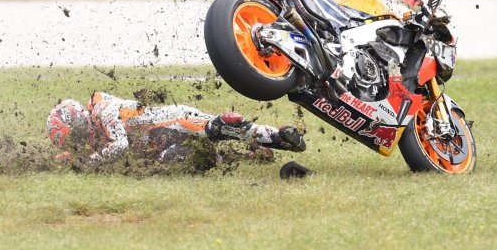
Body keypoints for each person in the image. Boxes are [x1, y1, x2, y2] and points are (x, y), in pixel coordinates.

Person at [46, 91, 305, 164]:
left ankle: (278, 135)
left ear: (81, 121)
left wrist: (86, 163)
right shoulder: (94, 131)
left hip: (175, 122)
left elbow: (120, 145)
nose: (80, 143)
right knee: (175, 160)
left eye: (77, 137)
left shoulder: (104, 110)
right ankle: (253, 155)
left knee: (216, 128)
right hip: (163, 143)